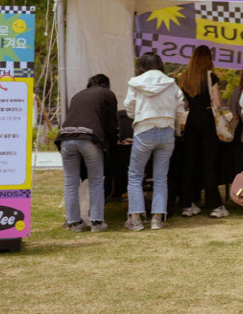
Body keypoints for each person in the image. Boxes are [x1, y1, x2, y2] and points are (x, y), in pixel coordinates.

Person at [123, 52, 185, 231]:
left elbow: (129, 107)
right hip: (167, 130)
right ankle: (157, 218)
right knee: (160, 177)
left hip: (144, 129)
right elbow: (180, 108)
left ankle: (135, 219)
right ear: (160, 64)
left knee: (135, 175)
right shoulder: (171, 83)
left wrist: (139, 116)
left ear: (141, 65)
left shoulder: (135, 83)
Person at [55, 74, 118, 232]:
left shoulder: (78, 95)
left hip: (65, 138)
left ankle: (75, 223)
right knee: (96, 180)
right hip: (89, 138)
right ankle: (97, 223)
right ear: (106, 84)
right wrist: (112, 144)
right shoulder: (107, 94)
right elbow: (111, 124)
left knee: (70, 182)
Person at [178, 45, 229, 218]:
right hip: (207, 120)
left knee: (189, 163)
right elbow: (218, 103)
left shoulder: (184, 77)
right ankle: (215, 205)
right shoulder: (210, 76)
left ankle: (188, 204)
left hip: (191, 120)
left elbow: (183, 103)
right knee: (209, 163)